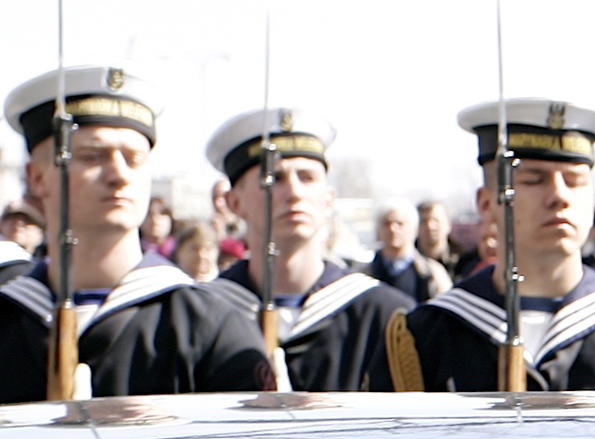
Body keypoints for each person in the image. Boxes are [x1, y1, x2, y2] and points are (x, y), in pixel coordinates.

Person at [379, 100, 595, 393]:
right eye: (534, 179)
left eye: (574, 181)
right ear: (487, 204)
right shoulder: (425, 339)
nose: (560, 196)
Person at [0, 68, 269, 402]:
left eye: (134, 159)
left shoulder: (213, 327)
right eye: (92, 157)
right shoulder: (9, 318)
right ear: (37, 177)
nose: (120, 175)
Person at [203, 109, 414, 393]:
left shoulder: (383, 317)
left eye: (307, 177)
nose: (294, 192)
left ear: (329, 199)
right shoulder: (203, 316)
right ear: (234, 203)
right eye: (274, 178)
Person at [364, 201, 449, 304]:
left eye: (400, 224)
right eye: (387, 223)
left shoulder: (432, 273)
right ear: (377, 230)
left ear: (414, 229)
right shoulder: (364, 275)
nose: (393, 229)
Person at [415, 198, 458, 275]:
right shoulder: (406, 263)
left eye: (435, 220)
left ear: (448, 224)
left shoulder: (463, 262)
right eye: (424, 221)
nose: (430, 227)